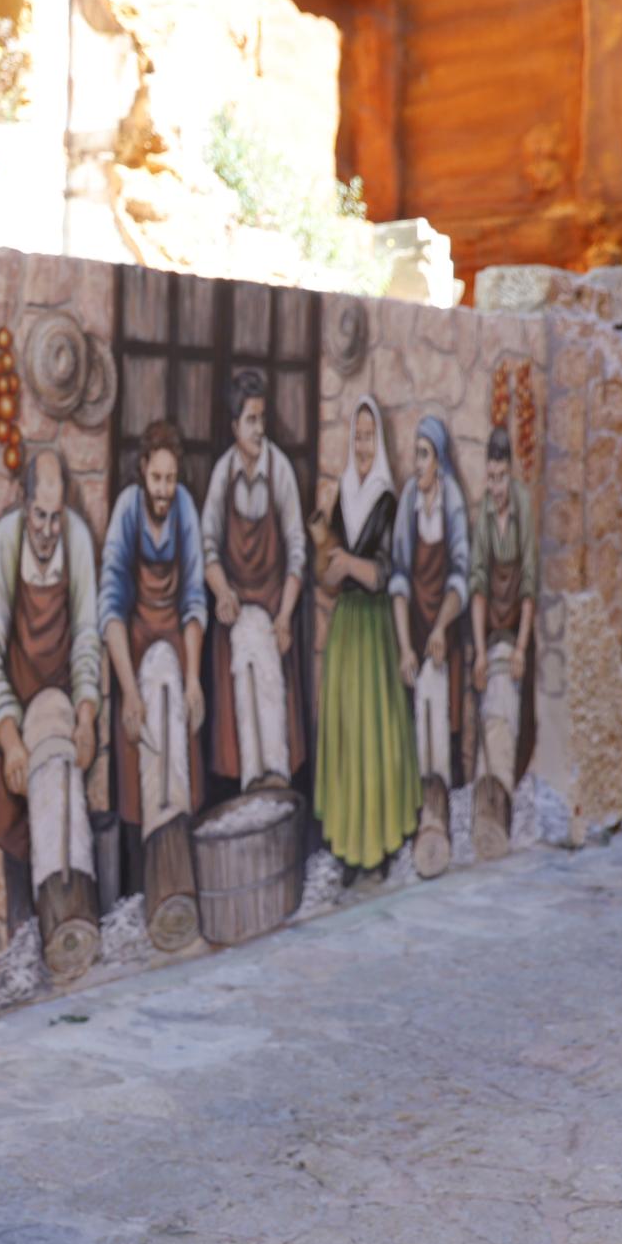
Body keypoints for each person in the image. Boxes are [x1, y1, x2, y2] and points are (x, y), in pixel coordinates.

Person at [0, 448, 101, 930]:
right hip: (16, 714)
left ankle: (68, 921)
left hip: (62, 711)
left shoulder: (77, 539)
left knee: (65, 819)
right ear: (26, 506)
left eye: (55, 517)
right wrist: (9, 738)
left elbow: (87, 635)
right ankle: (27, 935)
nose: (47, 529)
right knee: (18, 833)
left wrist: (86, 715)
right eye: (40, 516)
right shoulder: (7, 541)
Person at [312, 397, 419, 879]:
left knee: (374, 737)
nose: (361, 446)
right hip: (346, 627)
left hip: (374, 627)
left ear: (379, 443)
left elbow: (386, 571)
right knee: (347, 735)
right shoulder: (343, 495)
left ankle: (378, 846)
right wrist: (326, 554)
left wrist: (349, 565)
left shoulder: (387, 500)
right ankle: (348, 848)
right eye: (356, 437)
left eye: (368, 437)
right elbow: (328, 573)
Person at [100, 420, 207, 852]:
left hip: (177, 643)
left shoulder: (185, 509)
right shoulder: (128, 510)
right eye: (157, 478)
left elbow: (194, 598)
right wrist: (128, 690)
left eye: (171, 479)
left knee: (179, 724)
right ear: (143, 469)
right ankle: (149, 852)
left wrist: (194, 677)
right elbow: (111, 606)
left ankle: (177, 842)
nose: (163, 490)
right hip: (136, 643)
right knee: (142, 735)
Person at [201, 369, 308, 790]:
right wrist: (222, 592)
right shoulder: (223, 474)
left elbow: (297, 549)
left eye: (262, 419)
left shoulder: (279, 470)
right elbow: (208, 545)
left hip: (274, 605)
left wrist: (284, 617)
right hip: (236, 609)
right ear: (234, 426)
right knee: (242, 674)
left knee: (268, 680)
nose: (259, 429)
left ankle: (275, 777)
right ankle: (251, 781)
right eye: (250, 420)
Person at [392, 415, 472, 790]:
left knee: (444, 721)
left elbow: (460, 575)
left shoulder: (451, 499)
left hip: (444, 627)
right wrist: (405, 647)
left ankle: (443, 798)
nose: (418, 463)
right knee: (415, 721)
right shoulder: (409, 498)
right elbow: (399, 576)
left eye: (424, 455)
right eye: (416, 454)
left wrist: (440, 627)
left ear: (439, 459)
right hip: (415, 625)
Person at [469, 426, 537, 790]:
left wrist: (522, 648)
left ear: (511, 472)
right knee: (488, 704)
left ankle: (503, 786)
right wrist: (481, 652)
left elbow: (529, 582)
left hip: (517, 625)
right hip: (491, 625)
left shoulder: (523, 504)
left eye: (501, 477)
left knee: (509, 709)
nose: (496, 487)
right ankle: (488, 787)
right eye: (491, 478)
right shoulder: (484, 512)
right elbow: (478, 584)